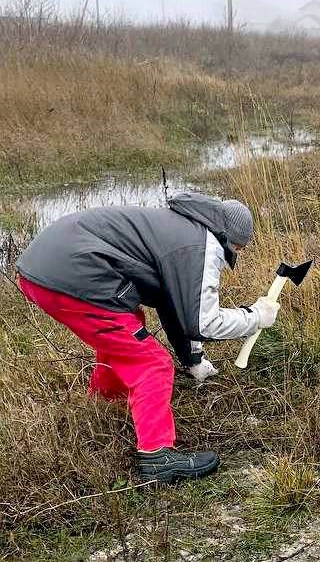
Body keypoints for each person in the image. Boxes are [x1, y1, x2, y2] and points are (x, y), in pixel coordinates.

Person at [15, 193, 281, 483]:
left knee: (127, 329)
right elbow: (203, 322)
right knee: (153, 363)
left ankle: (106, 402)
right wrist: (254, 317)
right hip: (70, 275)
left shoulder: (182, 227)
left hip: (43, 270)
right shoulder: (201, 245)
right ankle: (158, 456)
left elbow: (174, 306)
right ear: (231, 239)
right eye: (238, 249)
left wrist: (193, 360)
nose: (236, 255)